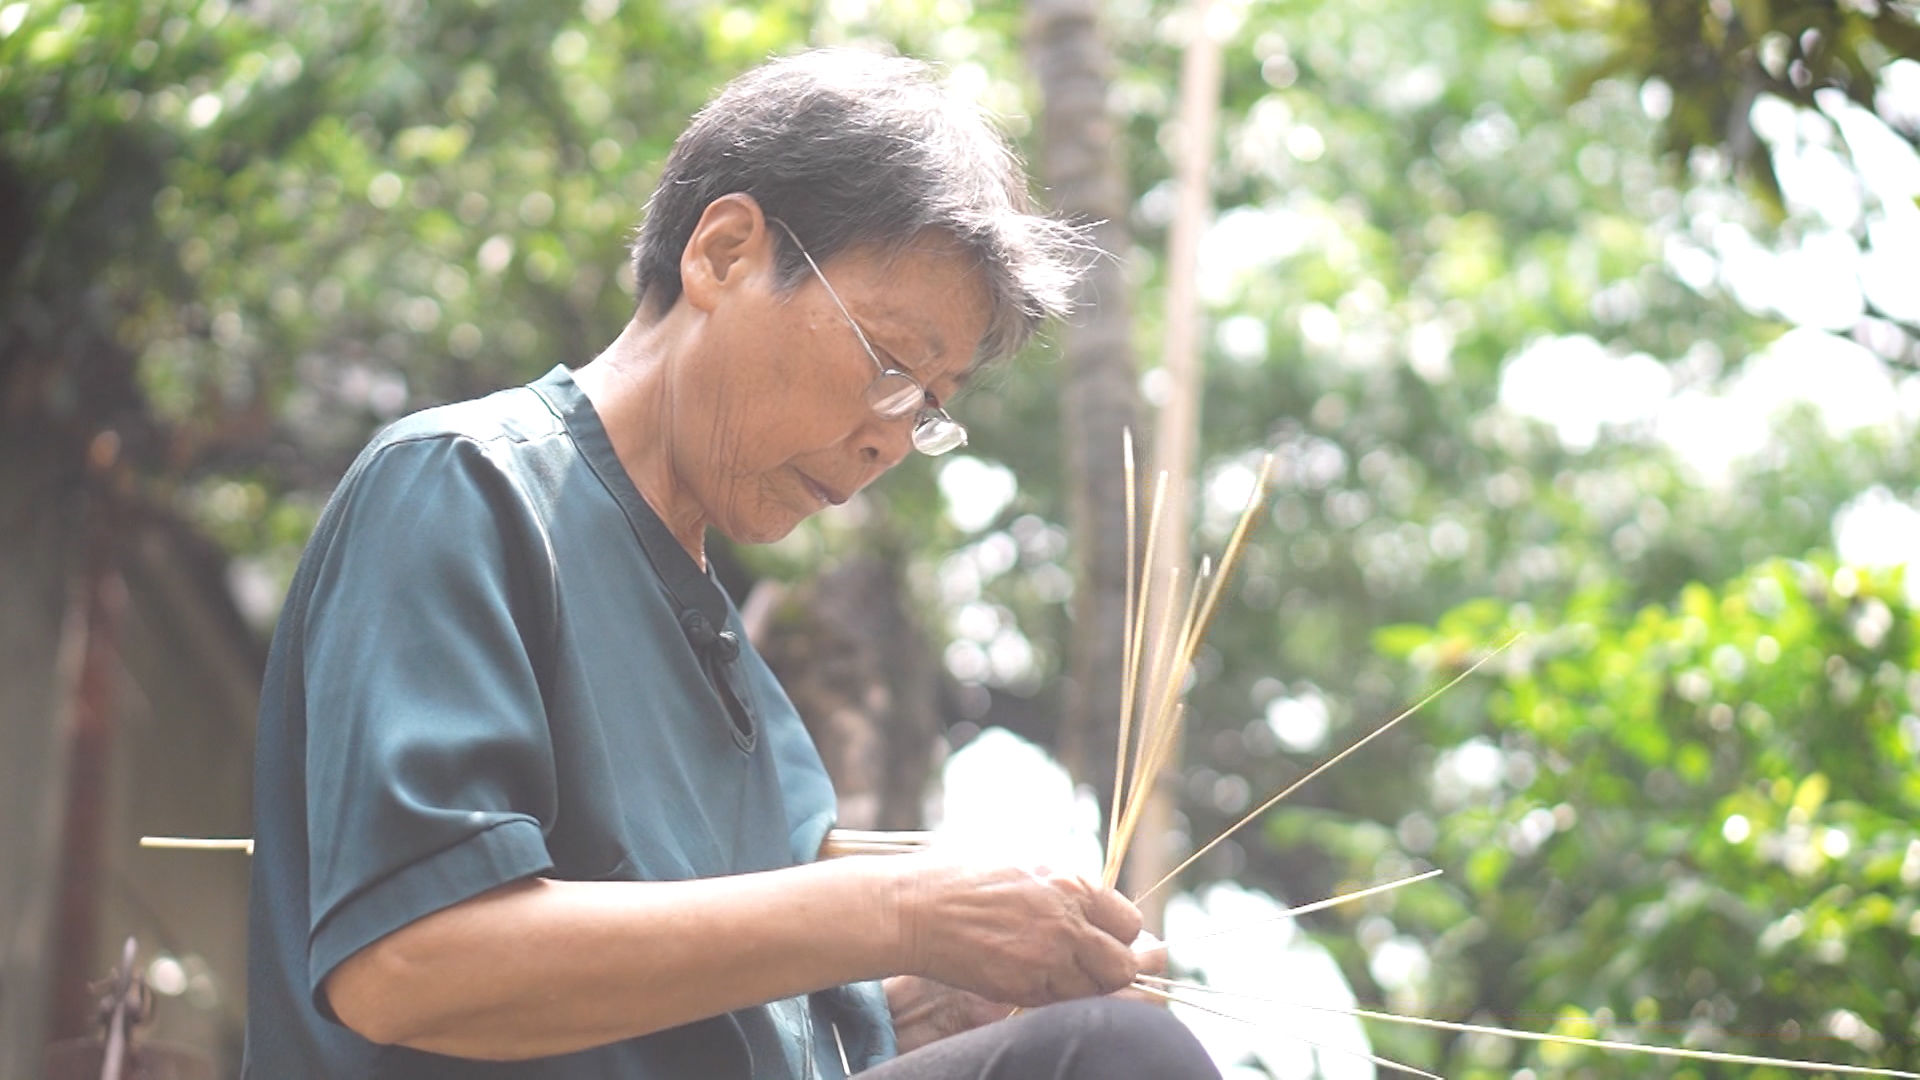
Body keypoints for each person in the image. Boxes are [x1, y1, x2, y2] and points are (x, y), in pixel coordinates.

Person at [243, 48, 1221, 1080]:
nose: (891, 438)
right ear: (722, 253)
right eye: (891, 364)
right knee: (1114, 1055)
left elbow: (724, 1015)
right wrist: (897, 910)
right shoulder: (466, 487)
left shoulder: (755, 702)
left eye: (930, 407)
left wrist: (922, 1006)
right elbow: (409, 965)